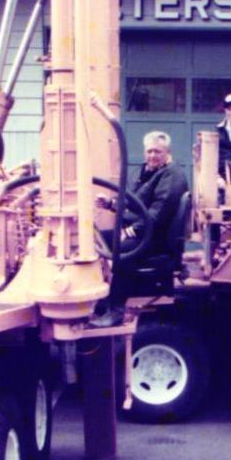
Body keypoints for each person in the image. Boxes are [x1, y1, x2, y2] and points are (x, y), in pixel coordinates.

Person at [90, 130, 189, 327]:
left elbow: (158, 213)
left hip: (157, 238)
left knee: (122, 251)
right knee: (97, 239)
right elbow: (132, 200)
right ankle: (102, 300)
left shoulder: (172, 175)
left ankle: (116, 311)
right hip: (145, 233)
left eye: (157, 151)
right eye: (149, 151)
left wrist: (132, 230)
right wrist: (110, 203)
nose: (152, 155)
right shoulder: (146, 171)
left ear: (167, 152)